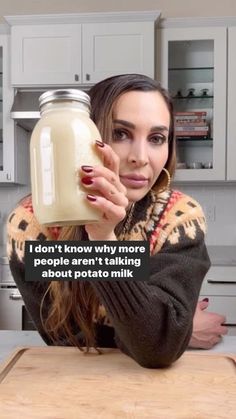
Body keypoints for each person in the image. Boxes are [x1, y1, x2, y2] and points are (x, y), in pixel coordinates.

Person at [7, 74, 213, 368]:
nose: (140, 157)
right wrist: (177, 323)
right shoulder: (31, 225)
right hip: (80, 379)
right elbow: (68, 338)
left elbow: (158, 348)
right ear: (84, 135)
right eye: (120, 133)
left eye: (156, 138)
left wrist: (104, 240)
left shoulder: (179, 218)